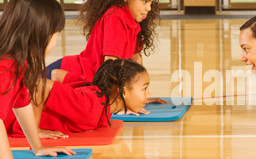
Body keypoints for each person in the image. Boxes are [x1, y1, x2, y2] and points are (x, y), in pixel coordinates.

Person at [0, 0, 75, 159]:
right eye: (56, 33)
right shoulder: (5, 67)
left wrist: (37, 145)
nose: (56, 40)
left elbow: (21, 102)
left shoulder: (19, 61)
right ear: (40, 32)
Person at [47, 0, 162, 83]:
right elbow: (110, 65)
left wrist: (142, 93)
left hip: (86, 79)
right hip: (69, 73)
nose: (149, 8)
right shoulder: (115, 17)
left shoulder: (134, 21)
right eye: (145, 1)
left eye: (151, 2)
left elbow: (136, 59)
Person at [6, 59, 151, 138]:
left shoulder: (98, 96)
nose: (148, 95)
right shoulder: (89, 106)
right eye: (144, 89)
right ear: (123, 92)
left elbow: (56, 73)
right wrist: (34, 129)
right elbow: (39, 86)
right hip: (7, 119)